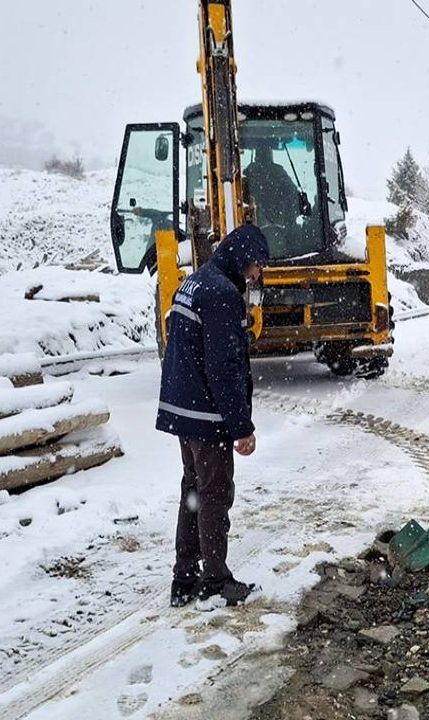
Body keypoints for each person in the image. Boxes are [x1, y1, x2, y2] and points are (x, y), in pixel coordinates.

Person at [158, 223, 270, 608]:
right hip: (206, 414)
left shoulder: (195, 282)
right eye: (257, 265)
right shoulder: (222, 294)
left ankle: (184, 577)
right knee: (214, 494)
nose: (257, 274)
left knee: (194, 490)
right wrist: (241, 426)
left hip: (183, 408)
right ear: (242, 257)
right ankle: (216, 581)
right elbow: (224, 367)